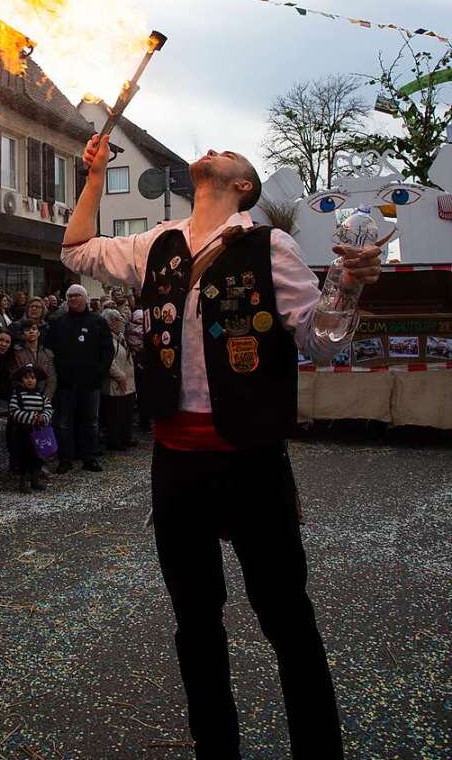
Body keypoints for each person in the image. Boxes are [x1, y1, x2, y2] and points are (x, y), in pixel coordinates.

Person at [62, 136, 382, 760]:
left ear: (244, 186)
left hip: (250, 460)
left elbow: (323, 343)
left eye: (231, 152)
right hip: (176, 462)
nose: (214, 148)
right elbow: (74, 251)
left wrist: (349, 285)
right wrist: (97, 176)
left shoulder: (271, 245)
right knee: (196, 622)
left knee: (286, 618)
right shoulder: (157, 243)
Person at [44, 284, 113, 475]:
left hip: (90, 384)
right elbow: (49, 351)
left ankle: (89, 458)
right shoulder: (58, 323)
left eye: (77, 296)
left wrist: (99, 372)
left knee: (90, 421)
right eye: (70, 296)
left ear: (85, 298)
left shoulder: (98, 322)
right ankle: (65, 459)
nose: (73, 299)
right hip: (66, 384)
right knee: (64, 423)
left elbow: (107, 351)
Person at [8, 363, 52, 494]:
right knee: (24, 456)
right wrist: (31, 417)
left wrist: (43, 417)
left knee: (37, 456)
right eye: (26, 377)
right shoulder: (17, 396)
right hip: (23, 432)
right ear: (22, 380)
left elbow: (49, 409)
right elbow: (13, 411)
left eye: (32, 378)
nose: (29, 380)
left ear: (37, 380)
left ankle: (35, 479)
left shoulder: (41, 396)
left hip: (38, 432)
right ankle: (23, 481)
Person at [99, 308, 137, 450]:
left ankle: (125, 437)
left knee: (126, 412)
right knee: (115, 415)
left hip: (128, 382)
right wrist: (120, 376)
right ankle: (115, 440)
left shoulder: (119, 337)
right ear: (111, 323)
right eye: (118, 320)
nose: (121, 323)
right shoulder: (107, 339)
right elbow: (109, 361)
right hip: (115, 383)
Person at [12, 320, 57, 402]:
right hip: (23, 399)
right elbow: (16, 377)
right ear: (23, 334)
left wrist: (45, 399)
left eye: (34, 329)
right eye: (27, 330)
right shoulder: (17, 353)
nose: (31, 331)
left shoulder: (47, 353)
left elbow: (51, 379)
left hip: (44, 399)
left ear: (39, 333)